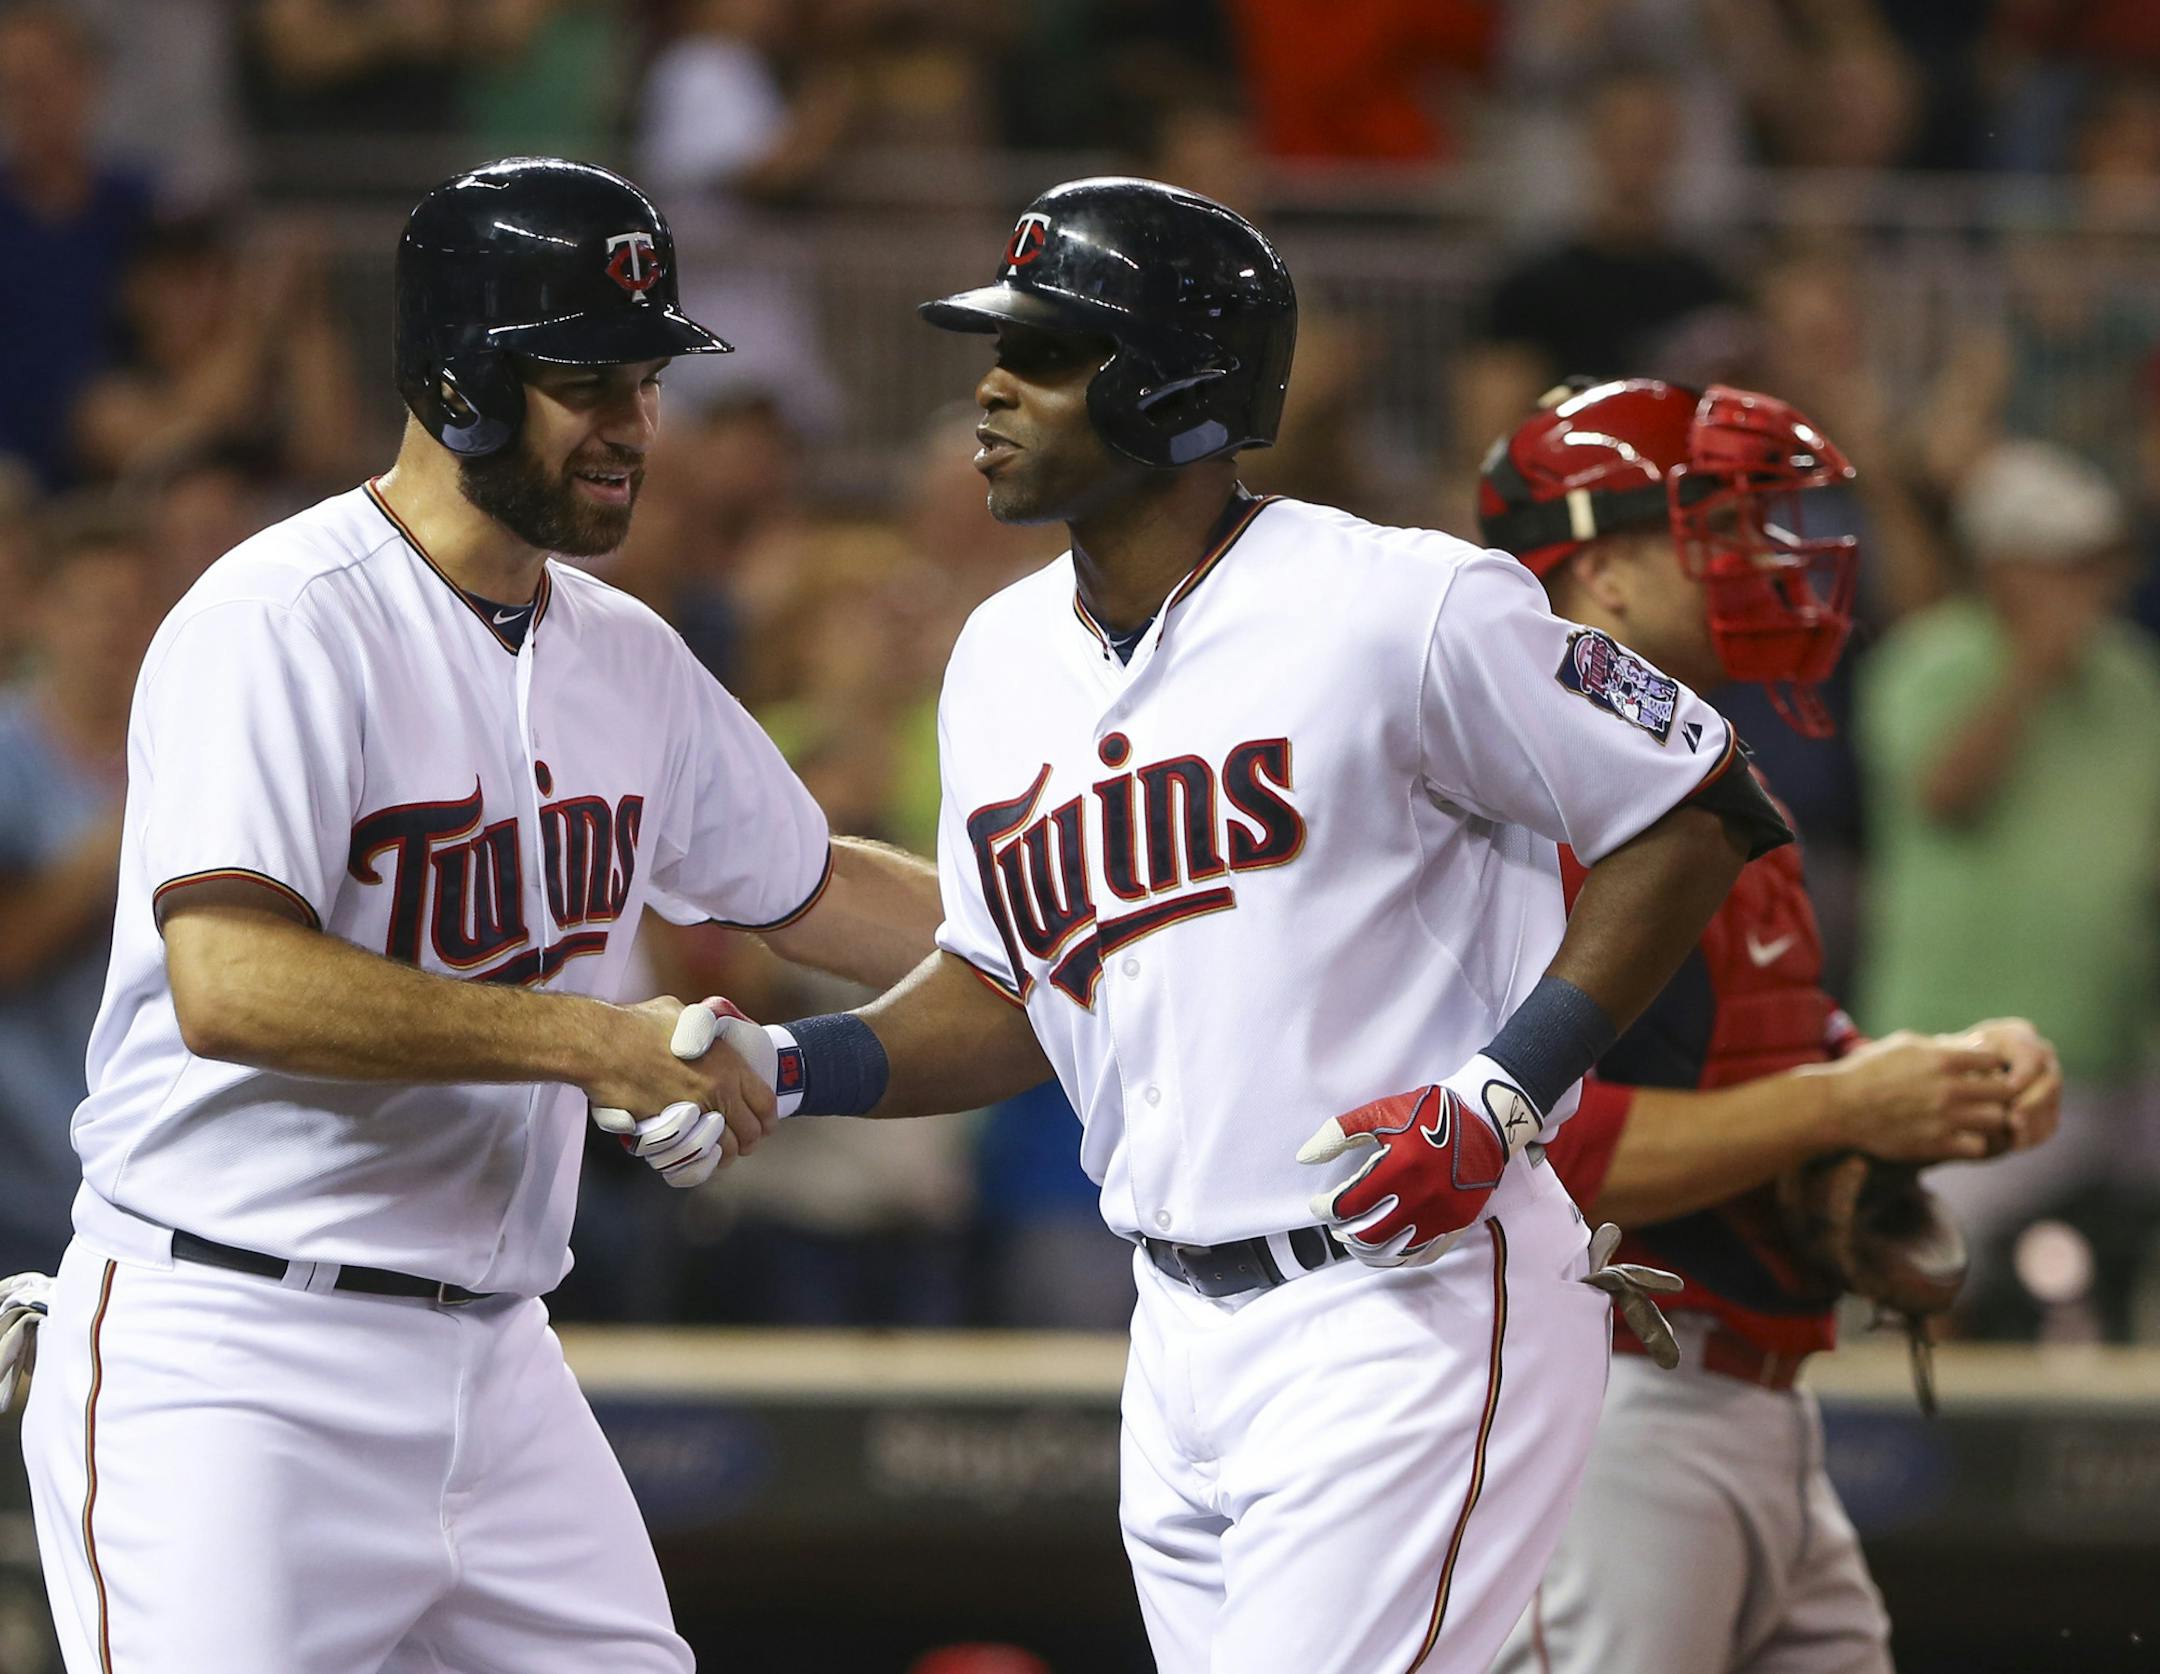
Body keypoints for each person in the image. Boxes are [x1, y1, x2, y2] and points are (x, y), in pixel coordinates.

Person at [688, 178, 1793, 1674]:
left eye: (1045, 352)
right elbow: (1013, 992)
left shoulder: (1399, 604)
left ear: (1175, 385)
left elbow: (1701, 799)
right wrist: (789, 1062)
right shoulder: (999, 656)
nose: (990, 386)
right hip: (1175, 1330)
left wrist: (1511, 1081)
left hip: (1403, 1297)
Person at [12, 157, 940, 1674]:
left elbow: (825, 887)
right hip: (236, 1347)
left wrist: (1076, 925)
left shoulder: (627, 656)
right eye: (589, 384)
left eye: (645, 381)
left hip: (497, 1356)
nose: (637, 427)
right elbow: (231, 980)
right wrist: (596, 1044)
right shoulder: (279, 619)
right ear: (458, 384)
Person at [1472, 378, 2064, 1674]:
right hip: (1602, 1403)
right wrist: (1847, 1105)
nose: (1768, 560)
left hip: (1754, 1409)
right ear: (1606, 571)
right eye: (1724, 530)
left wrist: (1928, 1083)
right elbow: (1529, 1153)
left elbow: (1757, 1046)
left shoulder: (1708, 775)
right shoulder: (1525, 810)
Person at [1855, 439, 2160, 1326]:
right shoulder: (1927, 665)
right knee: (1923, 1274)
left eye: (2097, 563)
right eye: (2061, 565)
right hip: (1955, 1053)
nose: (2088, 586)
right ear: (2000, 569)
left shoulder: (2135, 683)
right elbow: (1946, 796)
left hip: (2116, 1056)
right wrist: (2028, 667)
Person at [0, 509, 162, 1279]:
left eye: (133, 610)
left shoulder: (190, 745)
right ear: (40, 613)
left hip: (163, 1152)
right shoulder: (8, 758)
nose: (111, 631)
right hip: (27, 1169)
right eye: (88, 607)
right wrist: (133, 829)